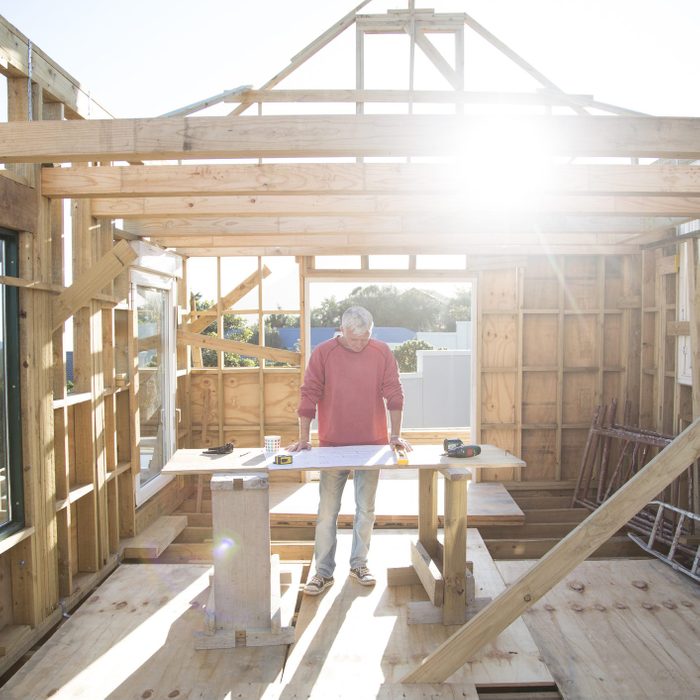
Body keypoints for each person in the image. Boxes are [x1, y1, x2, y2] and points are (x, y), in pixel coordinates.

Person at [288, 306, 412, 596]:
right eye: (355, 338)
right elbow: (309, 393)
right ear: (342, 330)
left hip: (372, 444)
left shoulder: (381, 352)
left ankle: (359, 564)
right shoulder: (323, 353)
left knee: (366, 509)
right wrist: (304, 437)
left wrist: (395, 435)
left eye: (366, 337)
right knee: (327, 510)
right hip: (332, 444)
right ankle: (322, 572)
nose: (361, 344)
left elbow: (394, 392)